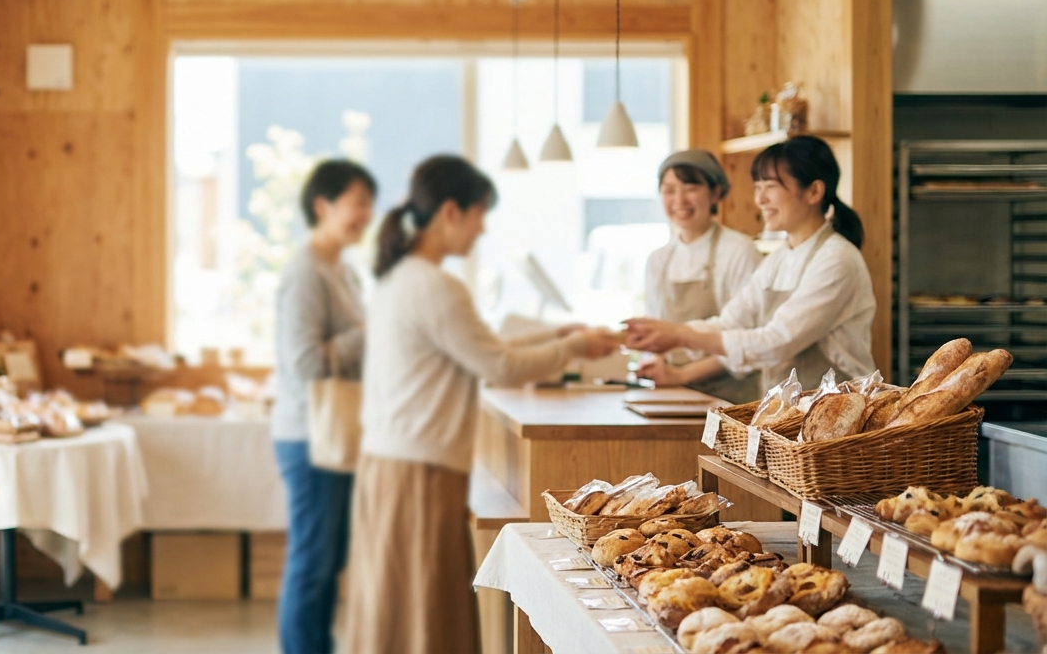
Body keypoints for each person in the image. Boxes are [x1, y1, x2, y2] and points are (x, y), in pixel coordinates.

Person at [345, 155, 620, 654]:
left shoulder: (400, 277)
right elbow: (500, 365)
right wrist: (575, 348)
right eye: (479, 215)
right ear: (452, 211)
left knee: (392, 603)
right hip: (419, 469)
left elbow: (483, 346)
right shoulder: (436, 286)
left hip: (393, 461)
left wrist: (558, 334)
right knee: (426, 604)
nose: (480, 230)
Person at [625, 135, 875, 391]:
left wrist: (681, 335)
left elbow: (779, 341)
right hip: (790, 412)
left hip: (838, 412)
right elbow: (732, 321)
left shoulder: (837, 259)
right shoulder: (778, 259)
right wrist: (668, 334)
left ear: (813, 192)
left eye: (771, 186)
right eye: (758, 186)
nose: (760, 199)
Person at [271, 158, 376, 654]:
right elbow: (306, 362)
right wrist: (368, 333)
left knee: (329, 558)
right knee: (312, 561)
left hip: (335, 431)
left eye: (368, 203)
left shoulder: (342, 268)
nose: (367, 214)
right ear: (322, 205)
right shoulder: (306, 272)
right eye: (357, 203)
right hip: (309, 434)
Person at [637, 149, 764, 403]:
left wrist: (680, 374)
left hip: (731, 399)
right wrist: (656, 365)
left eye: (690, 188)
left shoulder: (740, 251)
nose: (679, 201)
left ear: (715, 193)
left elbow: (750, 340)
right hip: (675, 395)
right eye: (669, 190)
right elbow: (653, 330)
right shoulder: (658, 260)